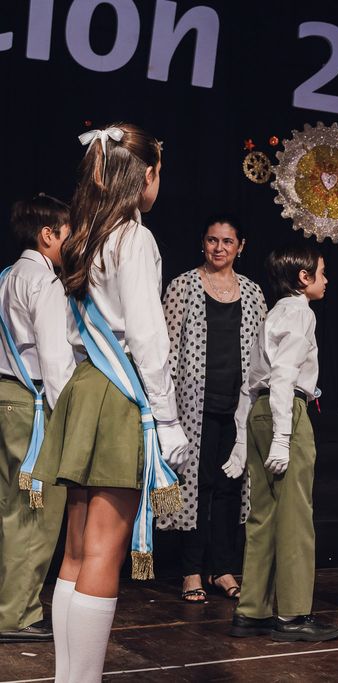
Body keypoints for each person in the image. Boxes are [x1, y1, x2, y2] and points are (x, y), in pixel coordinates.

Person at [33, 124, 189, 681]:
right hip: (119, 392)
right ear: (145, 176)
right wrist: (167, 419)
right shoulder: (134, 239)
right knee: (103, 552)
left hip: (84, 387)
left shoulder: (84, 236)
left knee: (76, 552)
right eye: (159, 172)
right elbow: (146, 337)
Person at [223, 244, 338, 642]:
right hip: (284, 410)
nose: (326, 280)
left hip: (261, 411)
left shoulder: (274, 312)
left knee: (263, 516)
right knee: (294, 516)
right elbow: (284, 375)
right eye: (321, 272)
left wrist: (243, 441)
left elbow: (251, 381)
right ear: (304, 278)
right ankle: (291, 614)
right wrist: (283, 437)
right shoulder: (300, 313)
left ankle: (252, 610)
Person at [159, 215, 267, 603]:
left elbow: (262, 354)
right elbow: (167, 350)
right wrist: (165, 409)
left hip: (237, 408)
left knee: (229, 488)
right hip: (192, 409)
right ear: (202, 243)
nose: (219, 248)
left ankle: (222, 568)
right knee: (195, 487)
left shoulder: (253, 292)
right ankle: (191, 571)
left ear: (240, 246)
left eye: (227, 241)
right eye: (212, 240)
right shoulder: (183, 286)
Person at [0, 194, 75, 643]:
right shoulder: (44, 281)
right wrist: (69, 416)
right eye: (68, 234)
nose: (72, 242)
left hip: (4, 397)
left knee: (8, 509)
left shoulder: (7, 275)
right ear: (48, 234)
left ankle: (7, 605)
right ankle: (17, 614)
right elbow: (54, 358)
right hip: (31, 403)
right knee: (36, 511)